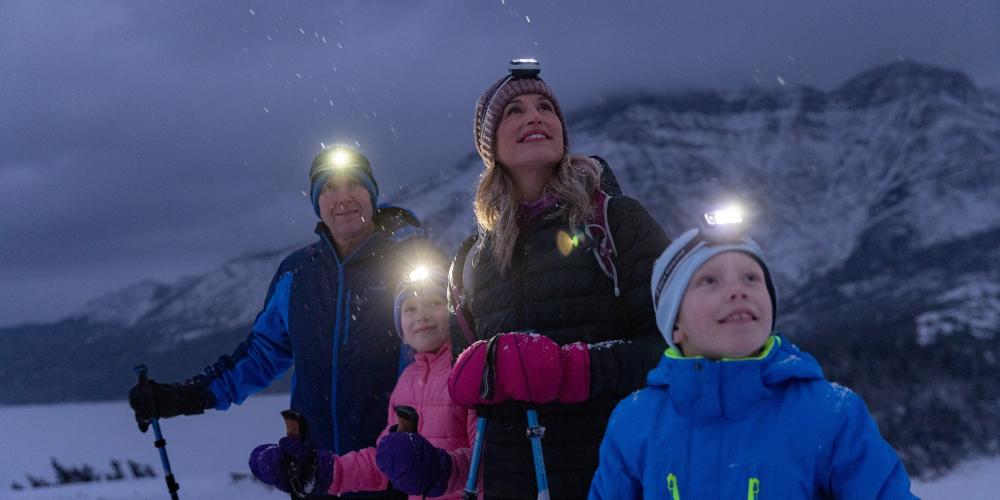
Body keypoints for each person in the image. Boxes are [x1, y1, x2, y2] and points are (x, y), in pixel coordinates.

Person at [128, 146, 444, 478]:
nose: (343, 197)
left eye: (354, 184)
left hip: (394, 469)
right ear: (317, 202)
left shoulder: (410, 264)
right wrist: (184, 397)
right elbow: (260, 356)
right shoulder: (297, 274)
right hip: (316, 469)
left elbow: (443, 353)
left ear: (372, 193)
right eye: (330, 188)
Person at [446, 59, 671, 499]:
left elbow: (675, 350)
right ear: (490, 147)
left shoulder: (616, 221)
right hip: (513, 480)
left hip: (616, 474)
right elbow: (470, 388)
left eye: (546, 107)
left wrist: (574, 370)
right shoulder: (472, 258)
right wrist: (471, 380)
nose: (534, 115)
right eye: (514, 111)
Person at [588, 210, 916, 499]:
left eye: (751, 278)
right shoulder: (634, 421)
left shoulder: (832, 413)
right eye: (710, 281)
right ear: (675, 326)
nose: (737, 290)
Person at [248, 267, 478, 498]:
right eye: (410, 308)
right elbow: (385, 465)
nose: (422, 315)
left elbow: (491, 461)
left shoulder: (470, 372)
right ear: (401, 332)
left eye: (435, 303)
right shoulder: (407, 382)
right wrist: (323, 472)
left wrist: (442, 471)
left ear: (454, 313)